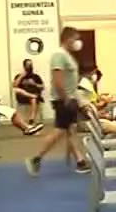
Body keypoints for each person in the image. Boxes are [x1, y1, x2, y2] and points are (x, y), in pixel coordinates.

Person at [24, 27, 90, 176]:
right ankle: (36, 158)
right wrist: (65, 99)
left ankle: (80, 161)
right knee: (60, 131)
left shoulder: (67, 56)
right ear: (68, 39)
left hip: (69, 98)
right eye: (76, 38)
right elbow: (57, 80)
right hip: (63, 100)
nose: (78, 42)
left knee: (70, 130)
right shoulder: (59, 55)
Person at [13, 58, 45, 124]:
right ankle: (33, 96)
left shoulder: (36, 76)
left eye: (30, 64)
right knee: (19, 91)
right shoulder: (19, 76)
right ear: (24, 66)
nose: (29, 66)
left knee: (33, 98)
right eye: (28, 65)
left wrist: (35, 84)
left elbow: (42, 87)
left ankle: (32, 119)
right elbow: (15, 85)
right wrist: (21, 76)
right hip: (22, 97)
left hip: (33, 95)